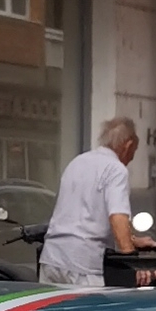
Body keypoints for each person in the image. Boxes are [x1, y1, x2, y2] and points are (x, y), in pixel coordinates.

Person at [39, 118, 141, 286]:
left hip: (52, 259)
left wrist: (133, 240)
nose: (130, 159)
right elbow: (118, 218)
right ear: (128, 146)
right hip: (83, 265)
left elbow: (81, 218)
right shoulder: (116, 169)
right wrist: (133, 264)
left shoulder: (77, 162)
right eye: (134, 152)